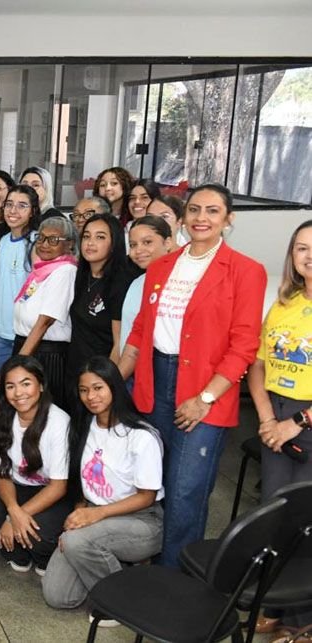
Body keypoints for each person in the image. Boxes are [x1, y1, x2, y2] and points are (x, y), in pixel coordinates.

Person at [118, 183, 267, 567]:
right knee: (152, 482)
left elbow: (244, 347)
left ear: (228, 220)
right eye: (195, 210)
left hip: (205, 391)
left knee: (186, 490)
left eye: (213, 211)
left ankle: (173, 582)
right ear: (182, 218)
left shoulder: (246, 272)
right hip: (155, 384)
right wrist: (117, 382)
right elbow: (140, 332)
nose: (202, 218)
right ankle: (148, 560)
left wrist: (204, 399)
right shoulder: (162, 266)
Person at [42, 356, 164, 609]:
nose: (91, 397)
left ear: (114, 387)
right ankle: (115, 565)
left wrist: (94, 516)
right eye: (84, 390)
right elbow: (79, 482)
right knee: (58, 597)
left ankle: (119, 600)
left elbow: (147, 496)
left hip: (141, 520)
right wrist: (80, 512)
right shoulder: (82, 426)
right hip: (95, 511)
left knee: (76, 542)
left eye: (98, 388)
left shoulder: (142, 436)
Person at [247, 220, 312, 638]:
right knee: (274, 517)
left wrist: (296, 422)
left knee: (307, 523)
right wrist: (269, 419)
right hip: (277, 416)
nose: (308, 256)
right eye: (301, 248)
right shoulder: (283, 304)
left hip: (304, 419)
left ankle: (303, 621)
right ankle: (275, 602)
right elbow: (259, 365)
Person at [0, 355, 72, 574]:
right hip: (18, 489)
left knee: (39, 531)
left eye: (26, 384)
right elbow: (0, 473)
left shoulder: (59, 421)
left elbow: (59, 486)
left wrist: (14, 518)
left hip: (52, 492)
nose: (18, 393)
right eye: (10, 386)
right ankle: (19, 555)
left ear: (40, 385)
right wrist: (13, 511)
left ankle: (44, 558)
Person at [13, 215, 77, 410]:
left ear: (70, 244)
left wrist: (16, 365)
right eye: (40, 238)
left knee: (44, 414)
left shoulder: (65, 271)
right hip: (26, 347)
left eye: (53, 240)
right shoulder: (42, 269)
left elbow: (44, 322)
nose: (44, 245)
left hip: (46, 354)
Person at [67, 214, 132, 380]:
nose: (90, 242)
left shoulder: (120, 283)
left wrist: (106, 382)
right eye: (86, 236)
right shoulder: (81, 276)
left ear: (113, 244)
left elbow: (120, 343)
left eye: (100, 237)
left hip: (100, 377)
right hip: (75, 370)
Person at [0, 184, 37, 373]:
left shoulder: (37, 243)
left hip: (25, 335)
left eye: (22, 205)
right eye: (9, 204)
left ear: (32, 212)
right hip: (0, 335)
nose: (13, 210)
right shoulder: (1, 243)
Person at [118, 215, 174, 354]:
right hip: (129, 366)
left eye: (147, 242)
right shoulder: (137, 283)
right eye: (133, 245)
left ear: (167, 243)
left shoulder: (176, 284)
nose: (138, 250)